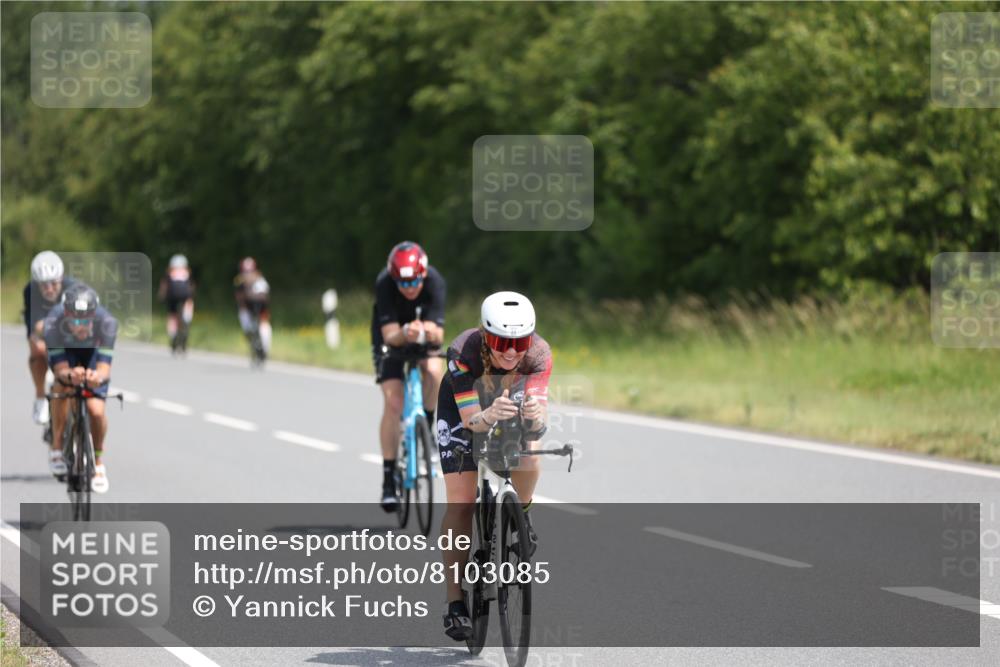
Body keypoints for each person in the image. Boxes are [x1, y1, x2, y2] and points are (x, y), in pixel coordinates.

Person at [435, 291, 552, 640]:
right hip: (464, 408)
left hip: (510, 398)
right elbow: (471, 421)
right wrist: (487, 415)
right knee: (461, 500)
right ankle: (455, 603)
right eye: (502, 341)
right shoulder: (462, 352)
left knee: (531, 449)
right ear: (486, 335)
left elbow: (540, 421)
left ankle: (523, 514)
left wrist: (535, 417)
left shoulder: (540, 354)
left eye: (520, 341)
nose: (512, 351)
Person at [371, 241, 446, 511]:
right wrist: (405, 333)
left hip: (423, 334)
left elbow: (439, 333)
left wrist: (425, 331)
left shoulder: (435, 281)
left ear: (423, 274)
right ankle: (389, 477)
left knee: (435, 371)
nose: (409, 288)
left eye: (414, 281)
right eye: (402, 284)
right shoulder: (384, 283)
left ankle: (427, 423)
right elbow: (390, 335)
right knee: (393, 402)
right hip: (391, 337)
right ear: (393, 279)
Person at [45, 283, 118, 493]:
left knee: (96, 411)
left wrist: (97, 377)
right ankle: (57, 447)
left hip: (92, 356)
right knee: (63, 387)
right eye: (75, 321)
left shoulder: (107, 323)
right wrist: (70, 374)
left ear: (94, 317)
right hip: (66, 354)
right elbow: (60, 370)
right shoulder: (53, 323)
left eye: (86, 321)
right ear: (65, 316)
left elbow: (104, 369)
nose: (80, 326)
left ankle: (99, 461)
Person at [23, 251, 78, 425]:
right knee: (38, 349)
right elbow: (37, 327)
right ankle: (40, 397)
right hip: (45, 329)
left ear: (61, 279)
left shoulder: (73, 288)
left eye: (53, 283)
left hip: (69, 332)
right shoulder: (30, 291)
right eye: (43, 285)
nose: (49, 289)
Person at [233, 257, 271, 358]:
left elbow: (265, 297)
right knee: (248, 324)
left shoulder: (259, 280)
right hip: (249, 307)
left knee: (263, 325)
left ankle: (263, 348)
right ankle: (255, 343)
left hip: (258, 306)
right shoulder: (241, 281)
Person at [157, 254, 195, 350]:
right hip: (185, 297)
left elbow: (164, 285)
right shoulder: (187, 271)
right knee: (188, 304)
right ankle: (187, 319)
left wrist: (161, 297)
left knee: (172, 315)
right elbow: (191, 286)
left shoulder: (170, 272)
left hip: (172, 297)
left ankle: (173, 334)